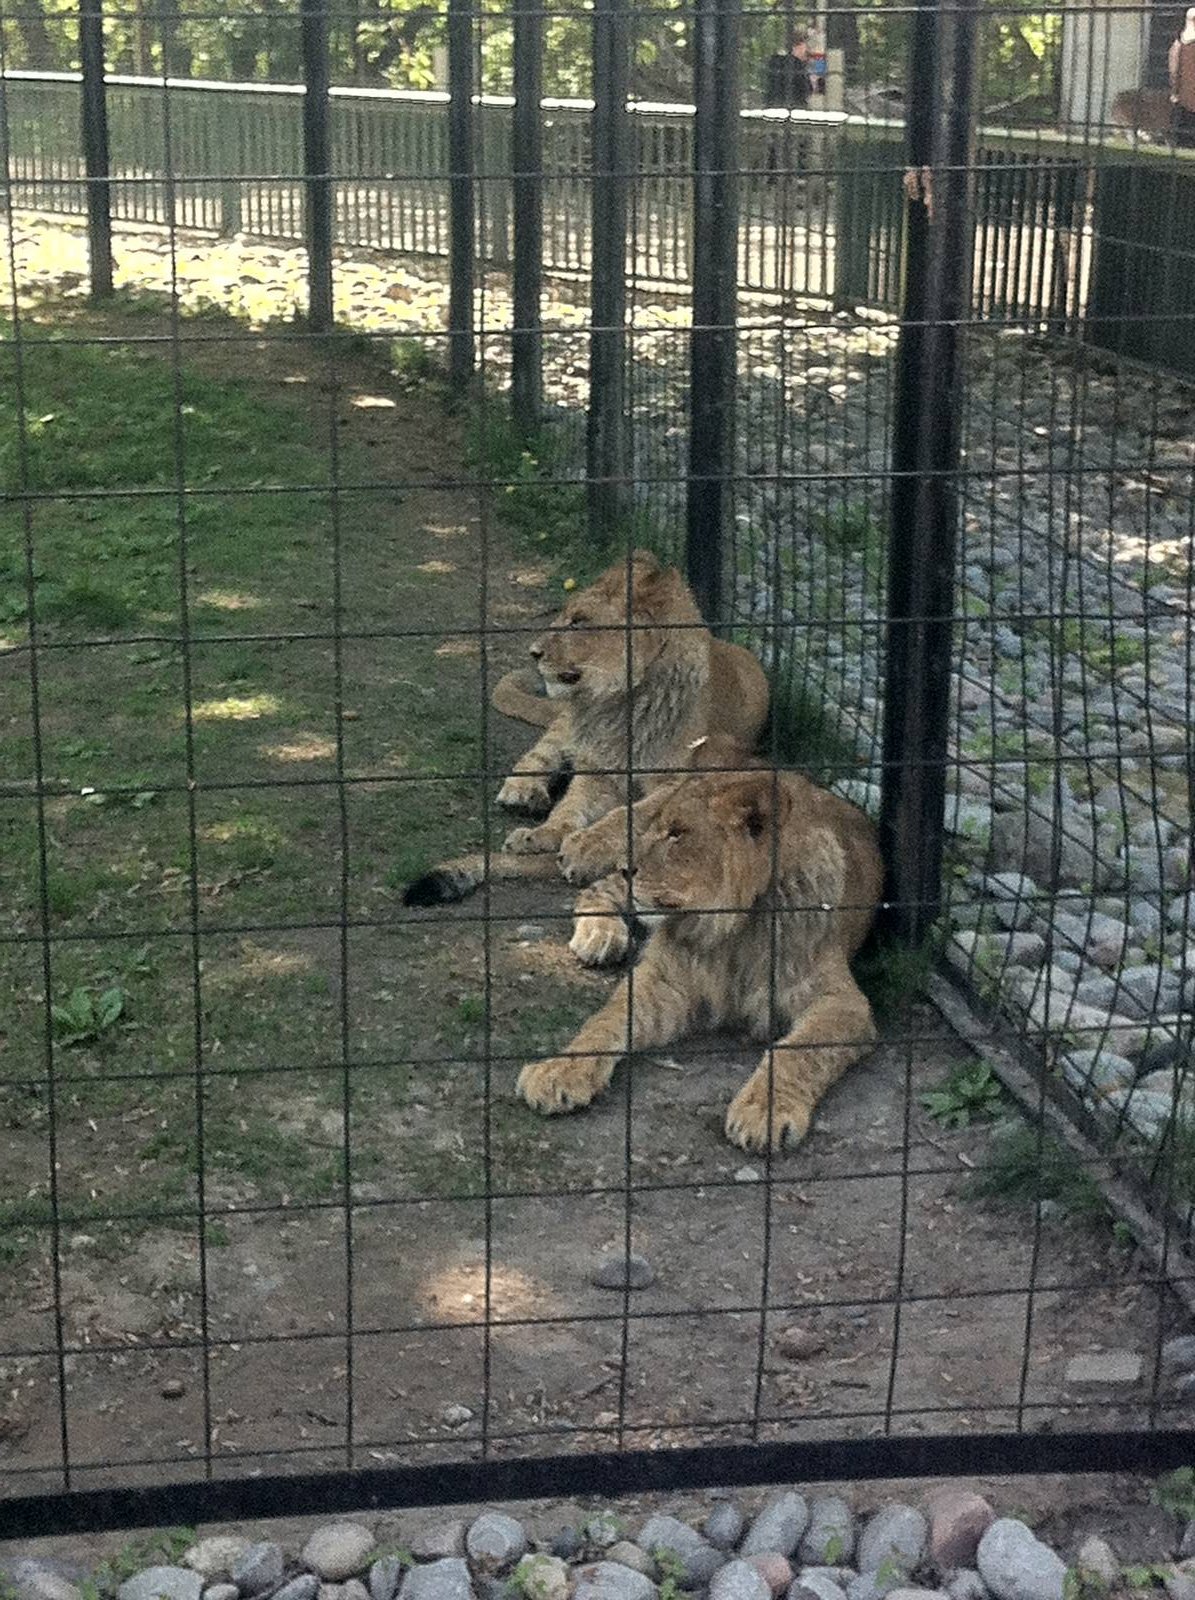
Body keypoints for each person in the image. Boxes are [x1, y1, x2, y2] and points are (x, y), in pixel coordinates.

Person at [765, 33, 813, 111]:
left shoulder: (774, 62)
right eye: (804, 48)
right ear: (797, 47)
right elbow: (806, 88)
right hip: (795, 106)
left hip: (773, 105)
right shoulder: (798, 65)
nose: (806, 51)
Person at [1169, 7, 1195, 147]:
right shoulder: (1179, 48)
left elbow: (1174, 73)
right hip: (1185, 105)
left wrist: (1175, 93)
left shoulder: (1178, 47)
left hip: (1184, 104)